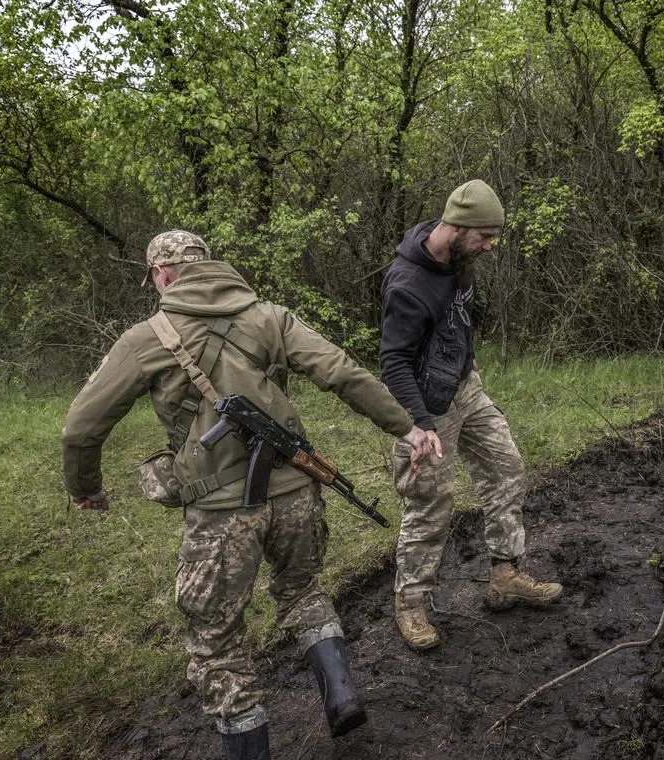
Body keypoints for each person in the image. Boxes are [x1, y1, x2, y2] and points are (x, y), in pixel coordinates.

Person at [62, 230, 434, 760]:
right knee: (303, 590)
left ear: (163, 274)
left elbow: (80, 429)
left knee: (216, 640)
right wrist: (406, 427)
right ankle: (342, 697)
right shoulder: (269, 316)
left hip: (219, 514)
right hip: (297, 493)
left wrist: (86, 489)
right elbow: (342, 372)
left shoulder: (145, 337)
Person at [380, 179, 563, 652]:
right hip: (423, 409)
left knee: (508, 470)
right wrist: (420, 423)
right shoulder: (407, 284)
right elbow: (393, 363)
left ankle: (506, 577)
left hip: (466, 389)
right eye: (484, 236)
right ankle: (411, 605)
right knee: (429, 507)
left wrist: (468, 358)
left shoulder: (459, 260)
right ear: (457, 227)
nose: (489, 245)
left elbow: (460, 316)